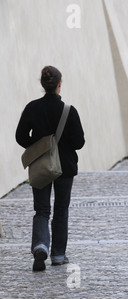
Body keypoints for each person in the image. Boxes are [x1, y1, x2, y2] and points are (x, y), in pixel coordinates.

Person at [16, 66, 85, 271]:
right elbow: (79, 142)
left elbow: (20, 136)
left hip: (40, 166)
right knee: (61, 210)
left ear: (42, 85)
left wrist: (38, 145)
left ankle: (40, 246)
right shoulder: (69, 111)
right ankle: (58, 255)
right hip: (65, 167)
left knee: (41, 209)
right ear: (59, 85)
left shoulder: (32, 108)